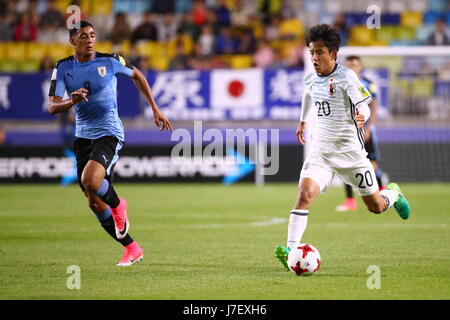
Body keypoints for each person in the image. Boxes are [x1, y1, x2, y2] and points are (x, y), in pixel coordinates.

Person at [274, 24, 410, 272]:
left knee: (376, 207)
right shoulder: (310, 77)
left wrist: (362, 114)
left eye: (320, 52)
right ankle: (291, 250)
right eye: (312, 52)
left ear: (333, 54)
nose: (315, 58)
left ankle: (394, 194)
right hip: (321, 152)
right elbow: (308, 94)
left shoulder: (347, 77)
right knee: (304, 195)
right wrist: (303, 120)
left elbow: (365, 103)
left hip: (351, 154)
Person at [48, 21, 173, 266]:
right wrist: (71, 101)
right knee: (94, 201)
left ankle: (118, 205)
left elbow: (137, 75)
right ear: (73, 41)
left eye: (93, 35)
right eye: (84, 36)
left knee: (90, 180)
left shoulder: (110, 60)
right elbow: (52, 106)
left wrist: (155, 108)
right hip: (83, 137)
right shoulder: (63, 68)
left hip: (110, 132)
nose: (90, 40)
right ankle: (132, 248)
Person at [336, 55, 384, 212]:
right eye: (349, 65)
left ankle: (383, 190)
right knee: (346, 163)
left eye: (354, 65)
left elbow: (374, 107)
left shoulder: (368, 84)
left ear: (360, 67)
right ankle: (350, 200)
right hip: (349, 132)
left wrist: (369, 128)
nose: (352, 68)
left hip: (366, 130)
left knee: (373, 164)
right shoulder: (340, 83)